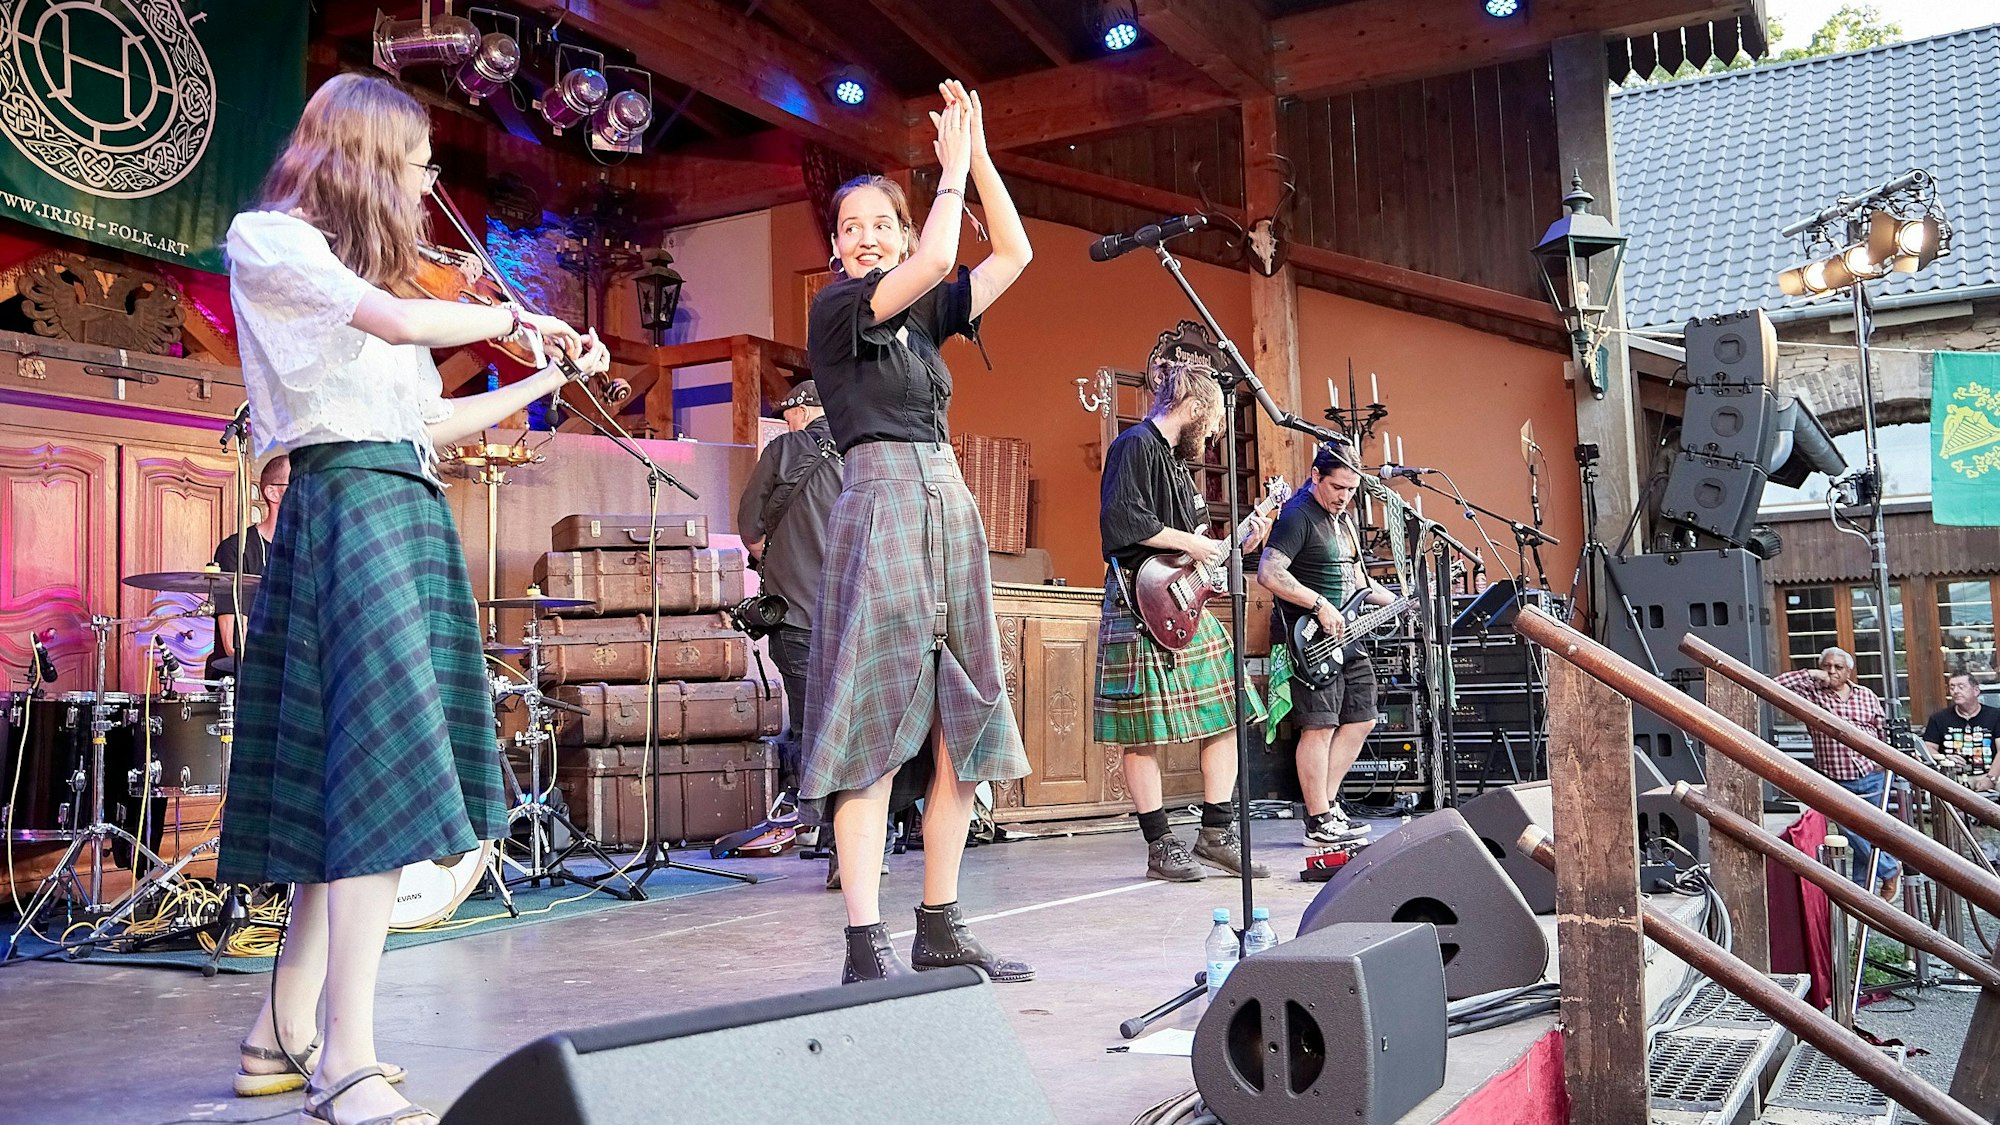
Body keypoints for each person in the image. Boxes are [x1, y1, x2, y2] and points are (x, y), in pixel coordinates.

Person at [219, 73, 607, 1125]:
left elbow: (430, 428)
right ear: (366, 154)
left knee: (354, 783)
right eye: (418, 159)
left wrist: (546, 373)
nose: (426, 179)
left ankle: (276, 1033)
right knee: (368, 788)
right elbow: (394, 322)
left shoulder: (360, 277)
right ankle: (346, 1058)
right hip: (343, 510)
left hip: (403, 508)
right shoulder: (272, 243)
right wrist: (519, 317)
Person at [802, 80, 1036, 984]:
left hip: (949, 503)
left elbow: (1012, 250)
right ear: (837, 246)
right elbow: (940, 258)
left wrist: (973, 160)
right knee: (868, 725)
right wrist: (941, 182)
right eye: (850, 225)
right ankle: (866, 943)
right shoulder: (839, 312)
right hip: (882, 502)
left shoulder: (924, 319)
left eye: (879, 223)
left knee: (963, 720)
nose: (864, 234)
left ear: (898, 236)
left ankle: (940, 921)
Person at [1094, 326, 1271, 883]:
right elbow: (1125, 524)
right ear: (1192, 406)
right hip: (1137, 599)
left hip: (1182, 602)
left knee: (1231, 709)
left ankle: (1216, 832)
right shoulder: (1133, 446)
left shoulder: (1176, 466)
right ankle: (1159, 845)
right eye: (1214, 420)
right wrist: (1202, 544)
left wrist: (1245, 538)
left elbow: (1200, 549)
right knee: (1139, 730)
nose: (1215, 433)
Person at [735, 380, 889, 887]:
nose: (786, 420)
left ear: (804, 410)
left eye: (788, 412)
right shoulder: (868, 452)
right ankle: (860, 844)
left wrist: (778, 555)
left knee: (811, 723)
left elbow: (750, 527)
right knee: (859, 722)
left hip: (796, 614)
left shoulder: (783, 449)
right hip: (860, 614)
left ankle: (823, 832)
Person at [1257, 439, 1396, 846]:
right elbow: (1269, 572)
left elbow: (1356, 582)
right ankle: (1317, 819)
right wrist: (1318, 604)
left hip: (1346, 634)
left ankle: (1326, 805)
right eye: (1338, 488)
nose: (1344, 497)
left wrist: (1402, 601)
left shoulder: (1345, 520)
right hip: (1307, 638)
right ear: (1316, 476)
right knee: (1318, 726)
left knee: (1363, 716)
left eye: (1352, 490)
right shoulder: (1298, 515)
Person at [1774, 648, 1899, 898]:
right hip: (1835, 777)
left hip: (1871, 773)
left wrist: (1884, 760)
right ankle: (1889, 869)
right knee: (1850, 829)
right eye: (1827, 666)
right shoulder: (1812, 693)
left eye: (1838, 667)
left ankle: (1863, 894)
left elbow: (1881, 728)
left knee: (1871, 832)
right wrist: (1810, 673)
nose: (1832, 671)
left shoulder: (1866, 695)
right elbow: (1775, 685)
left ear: (1849, 671)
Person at [208, 453, 289, 680]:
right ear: (273, 492)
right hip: (248, 683)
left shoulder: (308, 552)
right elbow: (235, 642)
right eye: (299, 484)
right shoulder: (237, 549)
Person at [1922, 670, 2000, 789]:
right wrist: (1944, 758)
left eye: (1961, 687)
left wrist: (1991, 778)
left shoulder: (1995, 715)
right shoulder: (1939, 718)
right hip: (1953, 778)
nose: (1956, 691)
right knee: (1932, 796)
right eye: (1952, 687)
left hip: (1989, 774)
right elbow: (1928, 747)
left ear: (1976, 691)